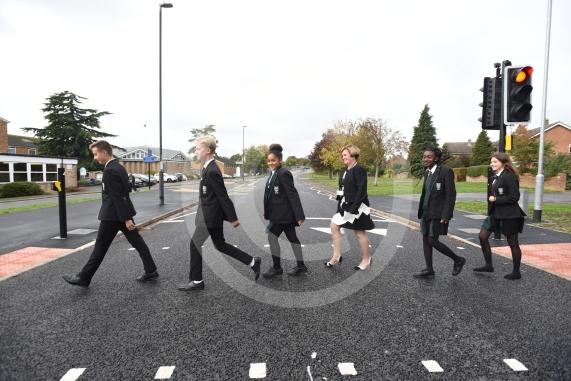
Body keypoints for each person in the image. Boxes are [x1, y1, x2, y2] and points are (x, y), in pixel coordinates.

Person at [63, 140, 158, 288]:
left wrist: (126, 218)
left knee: (100, 247)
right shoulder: (119, 167)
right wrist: (126, 217)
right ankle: (151, 270)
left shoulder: (110, 171)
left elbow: (118, 196)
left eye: (95, 154)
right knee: (138, 242)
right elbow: (124, 192)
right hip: (122, 213)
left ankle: (83, 278)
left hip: (113, 215)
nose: (95, 157)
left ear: (104, 152)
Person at [178, 136, 261, 291]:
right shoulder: (206, 168)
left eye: (198, 148)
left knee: (195, 244)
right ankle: (252, 261)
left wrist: (232, 217)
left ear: (208, 150)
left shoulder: (212, 171)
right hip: (209, 216)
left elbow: (222, 195)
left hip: (209, 217)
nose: (196, 151)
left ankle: (197, 281)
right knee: (220, 245)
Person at [413, 147, 466, 278]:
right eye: (424, 156)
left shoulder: (445, 171)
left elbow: (451, 195)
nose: (425, 159)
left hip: (438, 213)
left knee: (432, 240)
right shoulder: (427, 172)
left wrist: (446, 214)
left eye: (429, 157)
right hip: (426, 212)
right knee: (425, 239)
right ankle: (429, 269)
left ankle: (458, 259)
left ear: (436, 158)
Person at [474, 152, 526, 280]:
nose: (492, 164)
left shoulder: (509, 176)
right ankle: (488, 265)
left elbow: (514, 197)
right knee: (482, 236)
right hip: (495, 214)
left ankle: (516, 272)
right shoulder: (493, 177)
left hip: (510, 215)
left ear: (503, 163)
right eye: (491, 162)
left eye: (495, 162)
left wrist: (496, 199)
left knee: (513, 242)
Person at [326, 144, 375, 270]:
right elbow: (341, 189)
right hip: (344, 206)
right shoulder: (344, 171)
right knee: (334, 226)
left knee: (359, 233)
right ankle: (336, 256)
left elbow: (361, 191)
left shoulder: (359, 170)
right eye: (342, 155)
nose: (343, 157)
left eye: (345, 155)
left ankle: (366, 259)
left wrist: (353, 209)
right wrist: (339, 204)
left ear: (353, 155)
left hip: (358, 207)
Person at [262, 144, 307, 278]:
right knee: (292, 238)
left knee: (272, 237)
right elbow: (269, 195)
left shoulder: (284, 173)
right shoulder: (273, 173)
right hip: (278, 214)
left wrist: (299, 215)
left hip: (283, 215)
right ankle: (301, 266)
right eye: (269, 160)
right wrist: (267, 212)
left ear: (280, 160)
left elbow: (292, 194)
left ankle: (277, 268)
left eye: (273, 160)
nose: (270, 163)